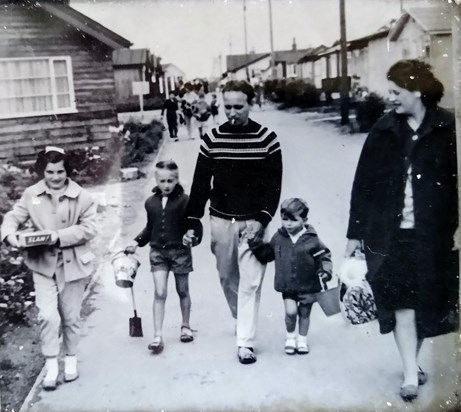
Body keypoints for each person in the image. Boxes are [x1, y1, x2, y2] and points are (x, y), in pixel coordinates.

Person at [345, 59, 458, 402]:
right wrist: (354, 234)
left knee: (424, 301)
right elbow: (362, 184)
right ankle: (410, 371)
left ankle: (412, 361)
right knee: (402, 303)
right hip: (389, 234)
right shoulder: (383, 129)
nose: (389, 98)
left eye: (395, 92)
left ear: (417, 91)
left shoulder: (448, 127)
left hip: (434, 233)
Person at [183, 80, 283, 365]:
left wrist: (262, 221)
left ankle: (245, 342)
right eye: (228, 107)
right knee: (228, 277)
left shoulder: (267, 139)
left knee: (251, 283)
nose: (233, 112)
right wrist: (193, 221)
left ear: (251, 104)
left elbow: (273, 186)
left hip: (253, 223)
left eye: (239, 106)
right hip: (221, 221)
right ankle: (242, 317)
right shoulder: (212, 139)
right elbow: (200, 183)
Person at [1, 146, 97, 391]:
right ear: (42, 171)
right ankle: (52, 365)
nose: (55, 177)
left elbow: (89, 228)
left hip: (74, 265)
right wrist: (9, 234)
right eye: (50, 172)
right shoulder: (34, 194)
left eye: (60, 171)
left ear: (68, 170)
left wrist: (58, 236)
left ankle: (71, 360)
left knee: (71, 316)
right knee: (47, 315)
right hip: (43, 264)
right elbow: (16, 214)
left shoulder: (82, 196)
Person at [125, 160, 202, 354]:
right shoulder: (150, 202)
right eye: (163, 181)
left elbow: (195, 226)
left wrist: (191, 236)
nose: (166, 185)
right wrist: (136, 242)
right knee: (160, 292)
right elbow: (150, 228)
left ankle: (185, 326)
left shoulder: (186, 201)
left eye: (170, 180)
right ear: (156, 180)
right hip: (158, 252)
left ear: (177, 179)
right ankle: (157, 335)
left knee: (182, 290)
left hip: (180, 252)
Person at [249, 198, 332, 355]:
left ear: (304, 220)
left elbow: (324, 256)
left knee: (305, 314)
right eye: (285, 219)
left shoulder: (312, 239)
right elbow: (267, 254)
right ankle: (290, 337)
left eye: (293, 220)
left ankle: (302, 340)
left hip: (309, 284)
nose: (288, 224)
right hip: (288, 284)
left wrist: (326, 271)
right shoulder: (278, 237)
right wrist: (254, 244)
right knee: (291, 312)